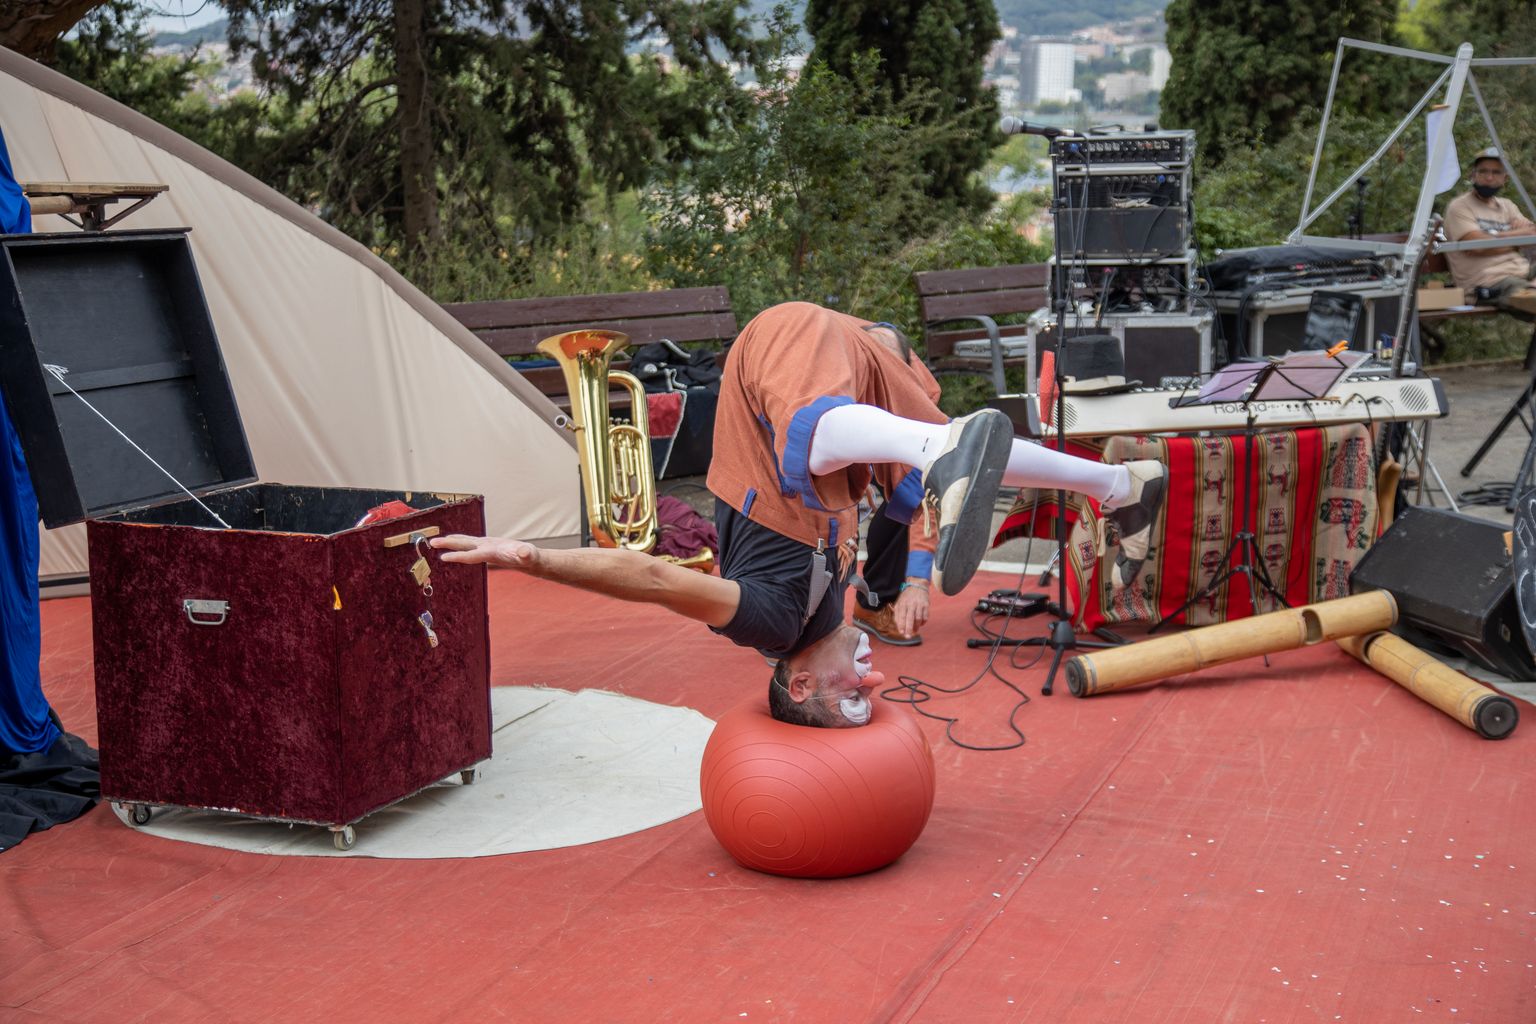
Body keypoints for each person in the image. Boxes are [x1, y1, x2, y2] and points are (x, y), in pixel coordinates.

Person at [434, 302, 1166, 729]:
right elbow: (910, 511)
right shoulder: (832, 616)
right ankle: (1116, 484)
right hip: (853, 368)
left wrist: (528, 557)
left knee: (843, 447)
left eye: (853, 699)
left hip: (777, 366)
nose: (874, 684)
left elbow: (652, 578)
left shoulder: (774, 624)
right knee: (961, 447)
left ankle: (939, 449)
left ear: (804, 684)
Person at [1442, 147, 1536, 317]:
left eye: (1496, 172)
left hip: (1523, 273)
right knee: (1530, 301)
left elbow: (1532, 235)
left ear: (1505, 178)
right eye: (1483, 171)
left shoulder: (1507, 206)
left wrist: (1494, 237)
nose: (1489, 177)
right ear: (1472, 175)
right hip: (1490, 282)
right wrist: (1515, 240)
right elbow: (1477, 245)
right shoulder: (1460, 207)